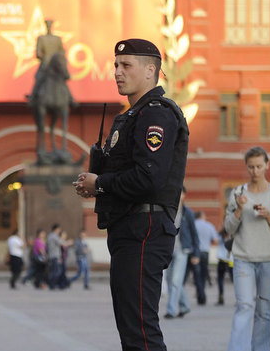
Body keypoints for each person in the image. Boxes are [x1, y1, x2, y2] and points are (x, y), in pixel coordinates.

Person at [74, 38, 189, 351]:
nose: (117, 72)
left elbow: (149, 178)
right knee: (131, 329)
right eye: (115, 65)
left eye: (126, 66)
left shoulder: (156, 114)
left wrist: (100, 183)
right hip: (129, 227)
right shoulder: (132, 115)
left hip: (145, 227)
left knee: (140, 331)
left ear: (150, 70)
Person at [224, 146, 270, 351]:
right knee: (244, 306)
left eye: (259, 166)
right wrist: (239, 210)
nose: (255, 171)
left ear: (267, 165)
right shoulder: (238, 193)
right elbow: (228, 227)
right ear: (247, 167)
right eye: (251, 167)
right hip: (243, 258)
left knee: (264, 310)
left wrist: (269, 215)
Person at [164, 188, 200, 319]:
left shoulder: (188, 213)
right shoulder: (167, 210)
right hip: (168, 250)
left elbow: (194, 234)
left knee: (175, 280)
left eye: (181, 193)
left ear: (184, 195)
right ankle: (185, 306)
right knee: (170, 280)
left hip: (182, 250)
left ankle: (171, 310)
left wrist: (196, 253)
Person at [192, 210, 218, 305]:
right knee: (203, 274)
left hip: (194, 252)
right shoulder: (209, 225)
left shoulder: (193, 225)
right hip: (205, 252)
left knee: (197, 275)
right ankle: (202, 294)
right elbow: (215, 240)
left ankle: (201, 295)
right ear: (202, 216)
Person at [215, 227, 234, 306]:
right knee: (234, 280)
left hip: (222, 260)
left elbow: (215, 240)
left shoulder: (220, 236)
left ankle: (221, 295)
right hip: (230, 261)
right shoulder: (232, 238)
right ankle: (239, 297)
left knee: (220, 279)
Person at [46, 223, 63, 289]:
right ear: (56, 229)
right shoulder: (55, 236)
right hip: (55, 256)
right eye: (59, 229)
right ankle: (52, 284)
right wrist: (68, 242)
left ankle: (52, 284)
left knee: (53, 271)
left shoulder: (49, 236)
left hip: (51, 255)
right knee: (56, 271)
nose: (60, 230)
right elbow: (61, 243)